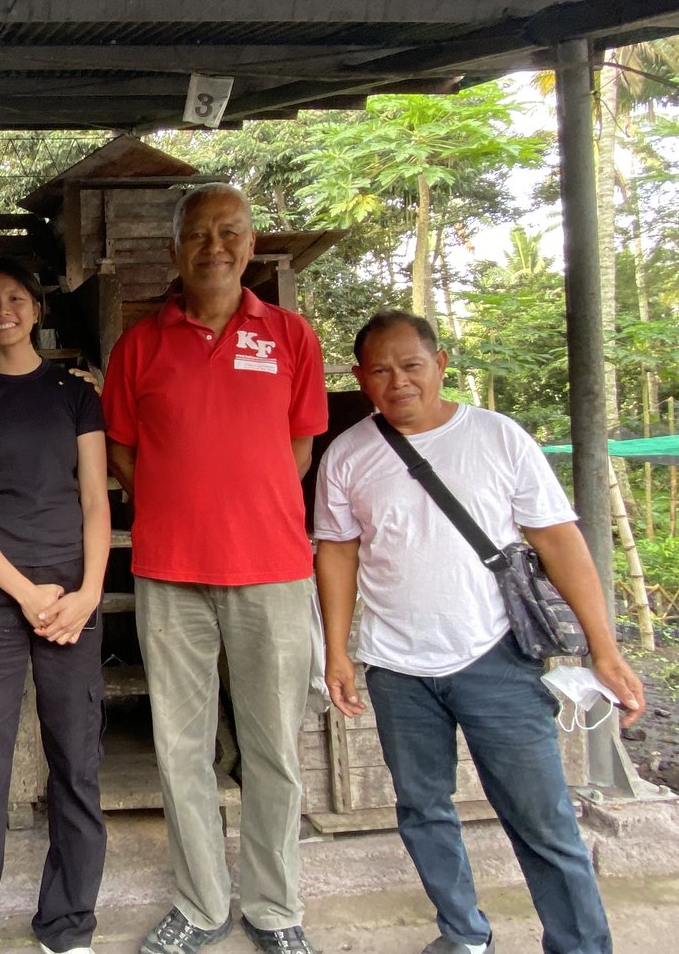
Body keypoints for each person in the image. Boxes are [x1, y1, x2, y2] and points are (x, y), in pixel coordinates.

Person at [313, 309, 646, 954]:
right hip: (395, 668)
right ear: (359, 377)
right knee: (423, 811)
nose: (398, 381)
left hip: (494, 658)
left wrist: (604, 649)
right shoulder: (348, 455)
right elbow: (337, 551)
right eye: (380, 370)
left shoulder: (498, 437)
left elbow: (558, 540)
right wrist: (337, 651)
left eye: (411, 365)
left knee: (543, 818)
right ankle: (464, 935)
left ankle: (579, 945)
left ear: (440, 365)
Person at [103, 184, 328, 954]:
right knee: (182, 747)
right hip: (171, 572)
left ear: (252, 242)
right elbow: (124, 452)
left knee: (272, 747)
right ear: (174, 249)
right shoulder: (139, 345)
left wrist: (244, 500)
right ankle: (201, 904)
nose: (214, 246)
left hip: (272, 567)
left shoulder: (291, 336)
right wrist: (180, 502)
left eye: (229, 231)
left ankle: (273, 905)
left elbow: (299, 448)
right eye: (198, 234)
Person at [0, 256, 111, 954]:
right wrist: (23, 590)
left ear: (36, 308)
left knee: (77, 758)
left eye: (13, 298)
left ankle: (68, 924)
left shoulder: (75, 394)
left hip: (72, 594)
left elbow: (96, 500)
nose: (1, 309)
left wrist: (89, 591)